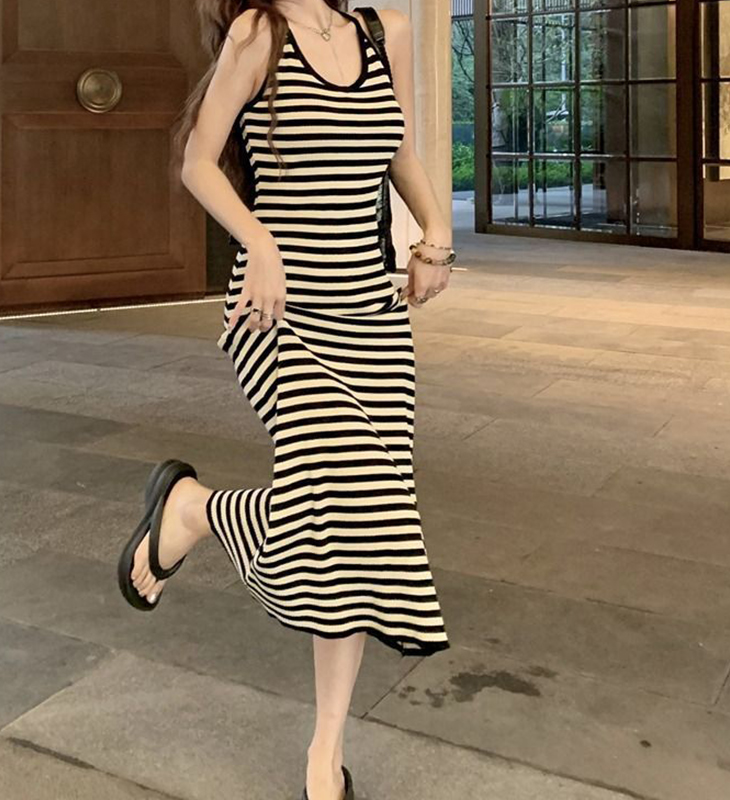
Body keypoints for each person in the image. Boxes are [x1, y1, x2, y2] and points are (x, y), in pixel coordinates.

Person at [117, 2, 453, 799]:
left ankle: (324, 751)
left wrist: (436, 235)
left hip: (371, 317)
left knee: (365, 528)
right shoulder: (257, 34)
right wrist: (260, 242)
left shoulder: (384, 31)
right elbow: (199, 161)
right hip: (277, 312)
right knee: (348, 501)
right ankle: (193, 511)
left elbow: (398, 149)